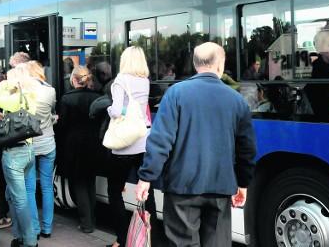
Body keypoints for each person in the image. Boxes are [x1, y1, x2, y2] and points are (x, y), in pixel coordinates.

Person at [135, 42, 257, 247]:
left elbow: (160, 141)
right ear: (221, 64)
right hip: (221, 187)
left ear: (195, 64)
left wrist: (146, 177)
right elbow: (247, 149)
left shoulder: (175, 94)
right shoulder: (237, 100)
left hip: (182, 187)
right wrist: (242, 183)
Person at [105, 46, 158, 247]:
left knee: (115, 190)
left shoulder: (120, 80)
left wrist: (109, 108)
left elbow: (117, 110)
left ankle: (121, 239)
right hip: (144, 138)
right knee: (146, 190)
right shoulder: (144, 81)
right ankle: (148, 238)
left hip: (125, 144)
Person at [0, 65, 38, 247]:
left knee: (19, 199)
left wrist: (4, 84)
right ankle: (19, 236)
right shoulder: (31, 97)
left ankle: (30, 240)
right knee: (11, 196)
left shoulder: (15, 98)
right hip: (29, 151)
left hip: (14, 153)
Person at [55, 65, 101, 234]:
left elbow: (63, 125)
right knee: (90, 180)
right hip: (93, 142)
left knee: (80, 182)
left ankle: (86, 222)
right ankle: (92, 218)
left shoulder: (67, 98)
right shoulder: (97, 96)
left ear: (73, 80)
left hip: (74, 143)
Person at [24, 61, 57, 239]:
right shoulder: (50, 90)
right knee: (46, 187)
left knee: (29, 188)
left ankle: (34, 229)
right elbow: (50, 111)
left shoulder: (23, 92)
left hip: (29, 143)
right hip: (48, 142)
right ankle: (47, 228)